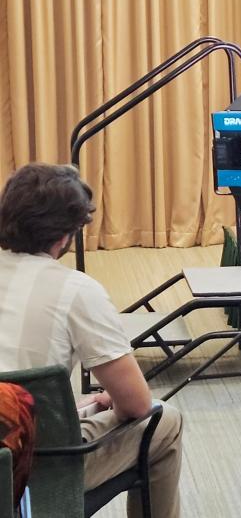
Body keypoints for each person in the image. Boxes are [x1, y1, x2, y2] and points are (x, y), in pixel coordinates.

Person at [0, 164, 183, 518]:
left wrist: (84, 406)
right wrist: (107, 401)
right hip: (38, 470)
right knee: (166, 420)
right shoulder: (76, 290)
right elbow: (136, 406)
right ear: (66, 235)